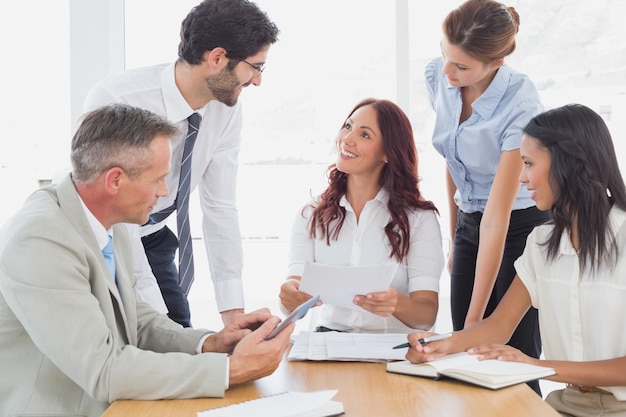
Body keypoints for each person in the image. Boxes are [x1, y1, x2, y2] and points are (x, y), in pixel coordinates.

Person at [0, 104, 293, 417]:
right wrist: (229, 370)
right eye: (159, 179)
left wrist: (211, 343)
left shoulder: (114, 221)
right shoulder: (41, 239)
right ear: (115, 181)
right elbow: (104, 370)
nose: (165, 191)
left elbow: (136, 321)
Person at [406, 104, 626, 416]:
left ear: (568, 163)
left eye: (528, 163)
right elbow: (499, 325)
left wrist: (535, 366)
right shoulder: (541, 243)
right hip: (568, 404)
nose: (521, 178)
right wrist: (438, 346)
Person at [83, 0, 280, 328]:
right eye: (255, 67)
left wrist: (233, 314)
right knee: (140, 341)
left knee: (182, 340)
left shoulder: (227, 110)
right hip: (103, 241)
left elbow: (220, 207)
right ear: (217, 58)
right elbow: (115, 213)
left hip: (156, 237)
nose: (257, 80)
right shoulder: (118, 100)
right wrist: (157, 321)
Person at [425, 0, 550, 393]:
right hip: (470, 218)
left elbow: (499, 218)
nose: (448, 72)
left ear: (496, 63)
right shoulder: (439, 76)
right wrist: (455, 236)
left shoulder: (520, 104)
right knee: (463, 350)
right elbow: (453, 158)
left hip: (519, 225)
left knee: (508, 351)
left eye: (461, 67)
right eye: (446, 55)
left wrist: (475, 328)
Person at [279, 98, 444, 333]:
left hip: (392, 352)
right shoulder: (310, 214)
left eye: (364, 135)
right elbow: (294, 285)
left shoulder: (419, 219)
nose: (347, 139)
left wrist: (397, 304)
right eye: (348, 126)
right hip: (328, 344)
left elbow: (426, 316)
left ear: (388, 153)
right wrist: (290, 294)